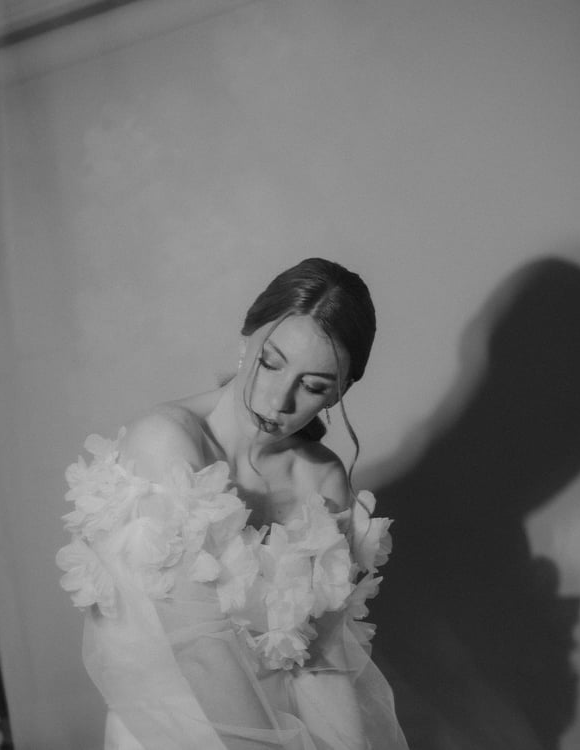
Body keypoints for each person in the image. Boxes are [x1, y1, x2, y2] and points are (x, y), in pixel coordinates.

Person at [56, 258, 408, 749]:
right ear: (247, 339)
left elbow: (319, 663)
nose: (277, 400)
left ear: (341, 392)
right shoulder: (166, 443)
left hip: (282, 729)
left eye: (313, 386)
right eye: (271, 362)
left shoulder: (322, 477)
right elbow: (201, 649)